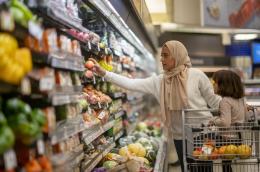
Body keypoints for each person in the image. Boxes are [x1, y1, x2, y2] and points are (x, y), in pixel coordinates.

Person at [90, 40, 221, 172]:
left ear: (176, 56)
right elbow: (131, 84)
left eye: (165, 55)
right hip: (180, 136)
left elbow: (213, 100)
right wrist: (104, 73)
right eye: (161, 55)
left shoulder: (197, 75)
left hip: (204, 133)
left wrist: (234, 107)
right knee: (187, 169)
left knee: (205, 169)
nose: (161, 59)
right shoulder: (159, 81)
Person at [209, 70, 248, 172]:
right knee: (227, 164)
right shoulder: (241, 100)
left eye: (214, 83)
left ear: (223, 85)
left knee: (224, 164)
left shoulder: (225, 101)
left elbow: (225, 123)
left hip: (226, 139)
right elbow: (246, 117)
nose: (213, 86)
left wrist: (213, 120)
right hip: (238, 138)